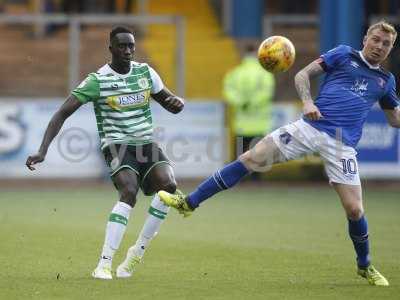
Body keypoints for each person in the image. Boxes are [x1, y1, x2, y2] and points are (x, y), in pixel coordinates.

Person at [158, 21, 400, 286]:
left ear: (391, 48)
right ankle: (188, 203)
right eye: (376, 39)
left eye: (386, 44)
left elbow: (394, 119)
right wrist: (307, 101)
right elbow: (302, 75)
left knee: (355, 210)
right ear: (365, 37)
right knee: (249, 158)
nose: (379, 46)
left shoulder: (385, 82)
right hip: (309, 127)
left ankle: (364, 266)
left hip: (342, 145)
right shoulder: (343, 54)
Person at [26, 26, 184, 280]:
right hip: (117, 145)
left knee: (169, 187)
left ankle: (136, 252)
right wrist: (42, 150)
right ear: (110, 49)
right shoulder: (97, 80)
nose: (128, 50)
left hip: (146, 143)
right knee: (129, 191)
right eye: (122, 46)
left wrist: (178, 103)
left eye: (131, 46)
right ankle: (104, 263)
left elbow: (170, 102)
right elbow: (62, 113)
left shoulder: (145, 73)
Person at [223, 44, 275, 160]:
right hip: (260, 124)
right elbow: (266, 92)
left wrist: (242, 103)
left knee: (240, 159)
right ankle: (256, 177)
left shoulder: (235, 73)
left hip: (240, 124)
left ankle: (239, 177)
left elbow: (228, 91)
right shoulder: (265, 74)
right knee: (259, 160)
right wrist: (252, 103)